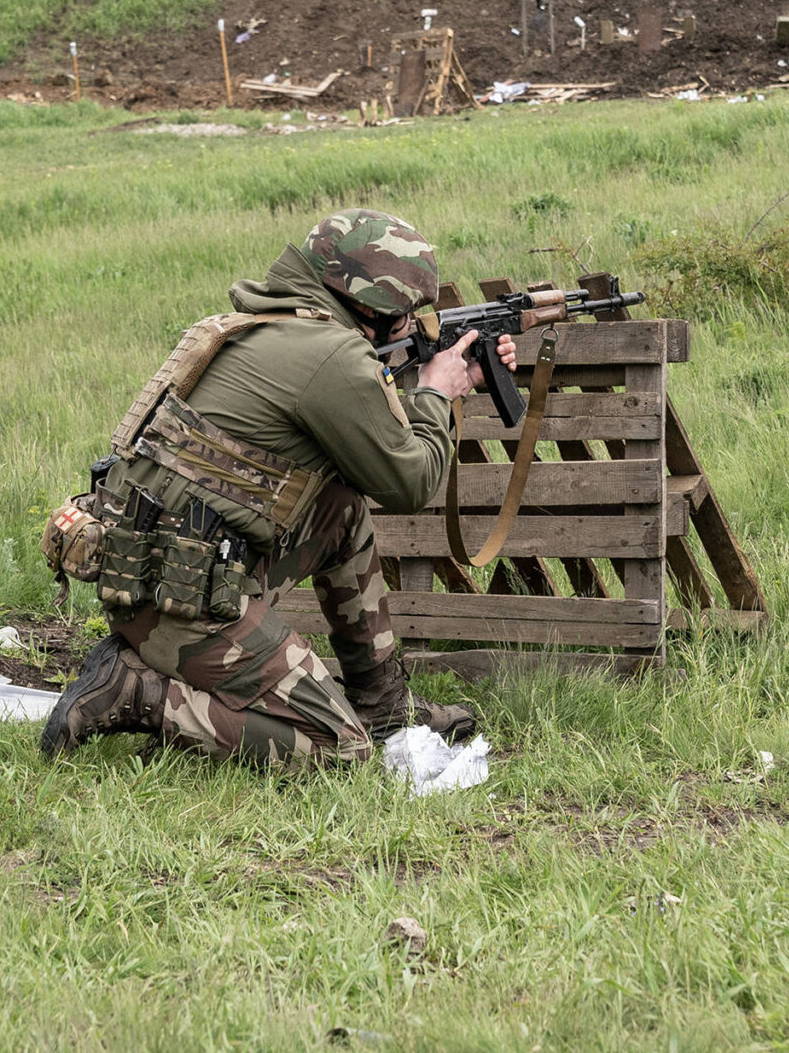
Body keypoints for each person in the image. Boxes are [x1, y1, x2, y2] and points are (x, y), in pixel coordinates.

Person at [41, 209, 530, 765]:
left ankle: (383, 705)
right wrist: (438, 394)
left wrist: (442, 379)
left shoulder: (261, 326)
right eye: (406, 312)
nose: (412, 324)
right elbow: (411, 482)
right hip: (184, 604)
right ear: (370, 308)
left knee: (340, 510)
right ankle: (141, 694)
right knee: (339, 749)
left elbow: (349, 458)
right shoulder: (333, 357)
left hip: (154, 576)